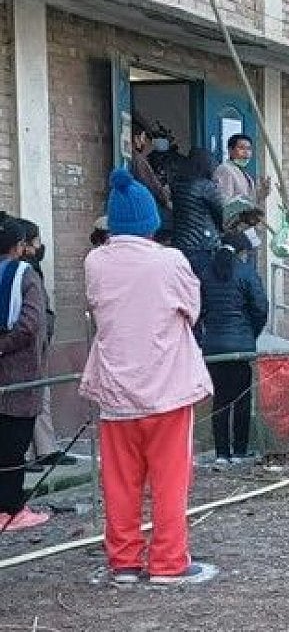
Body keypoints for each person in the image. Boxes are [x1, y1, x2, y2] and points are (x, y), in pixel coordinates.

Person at [80, 168, 216, 584]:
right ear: (151, 221)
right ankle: (168, 562)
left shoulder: (94, 262)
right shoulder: (170, 261)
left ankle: (123, 563)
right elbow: (192, 310)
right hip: (166, 391)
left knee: (120, 484)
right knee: (170, 481)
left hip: (115, 394)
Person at [9, 218, 75, 472]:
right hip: (27, 346)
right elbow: (29, 317)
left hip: (36, 343)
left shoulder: (29, 269)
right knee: (28, 398)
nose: (39, 246)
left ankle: (43, 449)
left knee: (39, 395)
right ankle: (26, 454)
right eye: (35, 241)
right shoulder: (22, 272)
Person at [198, 231, 268, 469]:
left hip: (214, 346)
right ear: (242, 252)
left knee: (220, 399)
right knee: (241, 399)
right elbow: (260, 308)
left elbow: (198, 310)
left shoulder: (206, 273)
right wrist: (250, 334)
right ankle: (239, 450)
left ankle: (221, 453)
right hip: (240, 345)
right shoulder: (247, 273)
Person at [0, 214, 51, 531]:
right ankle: (11, 509)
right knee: (13, 446)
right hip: (19, 372)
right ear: (19, 247)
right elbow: (30, 324)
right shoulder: (26, 276)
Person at [171, 149, 225, 278]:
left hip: (180, 243)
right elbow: (222, 213)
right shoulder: (206, 186)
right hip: (203, 244)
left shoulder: (177, 185)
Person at [129, 120, 173, 243]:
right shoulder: (138, 160)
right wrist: (166, 201)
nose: (144, 142)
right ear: (136, 138)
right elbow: (153, 185)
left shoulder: (129, 158)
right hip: (145, 214)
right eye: (143, 138)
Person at [213, 134, 268, 206]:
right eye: (241, 148)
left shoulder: (243, 172)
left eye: (249, 149)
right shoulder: (225, 169)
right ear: (230, 150)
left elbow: (251, 201)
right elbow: (224, 203)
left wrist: (261, 194)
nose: (246, 152)